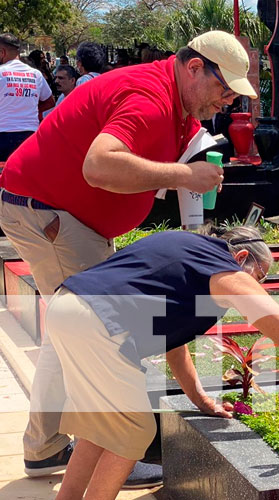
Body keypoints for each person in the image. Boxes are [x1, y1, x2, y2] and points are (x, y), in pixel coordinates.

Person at [0, 30, 258, 487]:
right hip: (52, 214)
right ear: (194, 66)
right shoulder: (149, 97)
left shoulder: (177, 103)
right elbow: (99, 166)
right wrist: (187, 174)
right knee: (92, 328)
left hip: (68, 217)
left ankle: (46, 446)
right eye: (224, 88)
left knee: (76, 328)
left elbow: (164, 315)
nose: (228, 100)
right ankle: (93, 445)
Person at [43, 227, 279, 499]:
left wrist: (199, 399)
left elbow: (174, 343)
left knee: (100, 426)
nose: (259, 287)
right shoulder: (224, 269)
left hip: (66, 306)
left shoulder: (189, 248)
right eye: (260, 278)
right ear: (242, 258)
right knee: (134, 432)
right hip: (98, 323)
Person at [0, 33, 55, 161]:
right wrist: (32, 110)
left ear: (2, 52)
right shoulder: (35, 74)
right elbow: (50, 101)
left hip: (3, 135)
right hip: (30, 135)